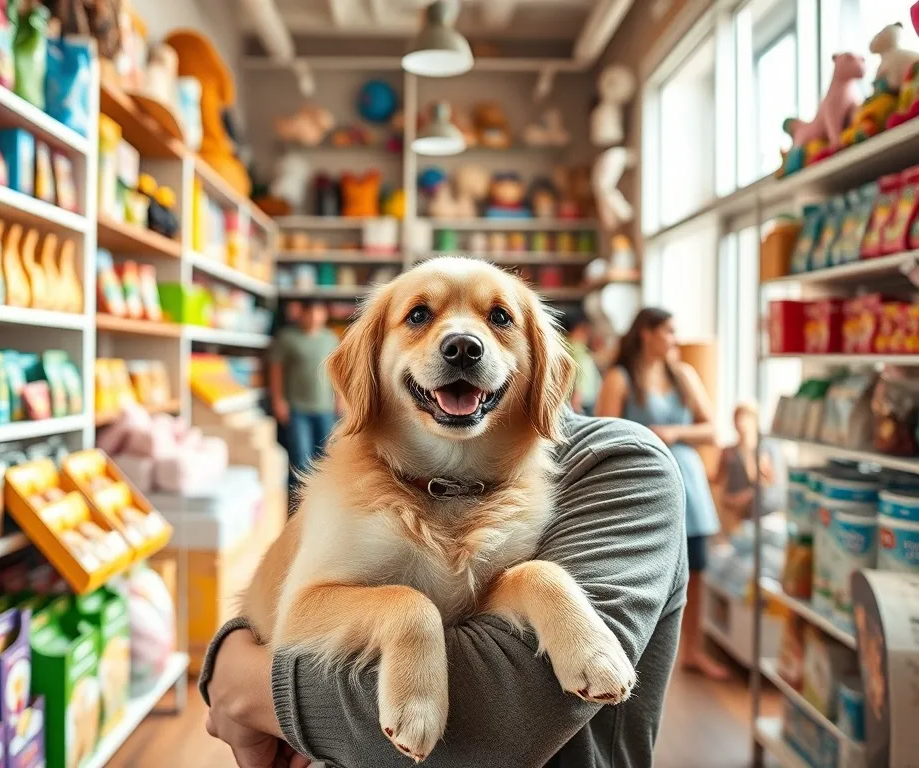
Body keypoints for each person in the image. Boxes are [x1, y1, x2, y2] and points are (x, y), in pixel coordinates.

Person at [199, 413, 688, 767]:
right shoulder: (354, 479)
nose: (461, 340)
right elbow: (297, 613)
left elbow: (501, 731)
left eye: (499, 318)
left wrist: (243, 685)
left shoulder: (621, 462)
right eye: (419, 316)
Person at [595, 307, 727, 681]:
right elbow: (604, 437)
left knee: (697, 567)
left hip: (689, 482)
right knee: (636, 569)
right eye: (668, 331)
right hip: (641, 486)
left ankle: (693, 651)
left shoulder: (683, 375)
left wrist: (673, 433)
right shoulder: (620, 379)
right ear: (646, 334)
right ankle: (632, 648)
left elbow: (712, 429)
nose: (674, 338)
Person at [270, 301, 340, 483]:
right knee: (300, 460)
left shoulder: (330, 338)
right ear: (302, 313)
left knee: (326, 459)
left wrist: (340, 398)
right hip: (297, 410)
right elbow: (276, 370)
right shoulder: (287, 338)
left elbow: (336, 371)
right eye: (310, 312)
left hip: (325, 408)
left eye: (319, 312)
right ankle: (297, 508)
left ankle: (321, 503)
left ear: (324, 314)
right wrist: (278, 400)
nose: (315, 316)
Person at [714, 402, 785, 527]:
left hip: (766, 516)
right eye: (738, 419)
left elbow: (767, 483)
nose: (741, 423)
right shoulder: (729, 453)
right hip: (739, 516)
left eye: (745, 419)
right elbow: (720, 485)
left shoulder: (767, 449)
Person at [562, 305, 602, 414]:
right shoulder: (576, 347)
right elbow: (577, 371)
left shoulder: (564, 347)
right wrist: (577, 397)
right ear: (581, 328)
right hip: (581, 403)